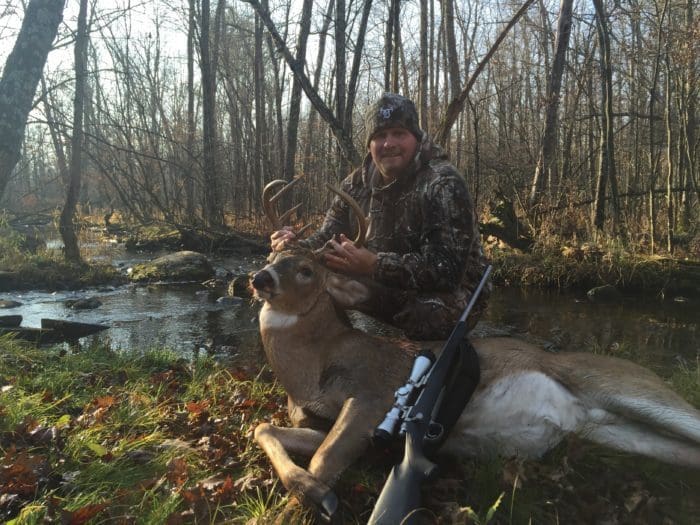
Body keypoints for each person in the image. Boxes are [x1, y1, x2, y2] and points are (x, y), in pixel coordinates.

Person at [270, 93, 490, 340]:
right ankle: (333, 351)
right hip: (384, 282)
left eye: (399, 133)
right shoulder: (354, 185)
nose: (389, 143)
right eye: (380, 136)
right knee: (313, 282)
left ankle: (424, 360)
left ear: (416, 138)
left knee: (428, 314)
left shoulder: (443, 183)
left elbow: (446, 271)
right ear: (370, 144)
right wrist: (294, 247)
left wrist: (375, 265)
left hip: (453, 293)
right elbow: (328, 238)